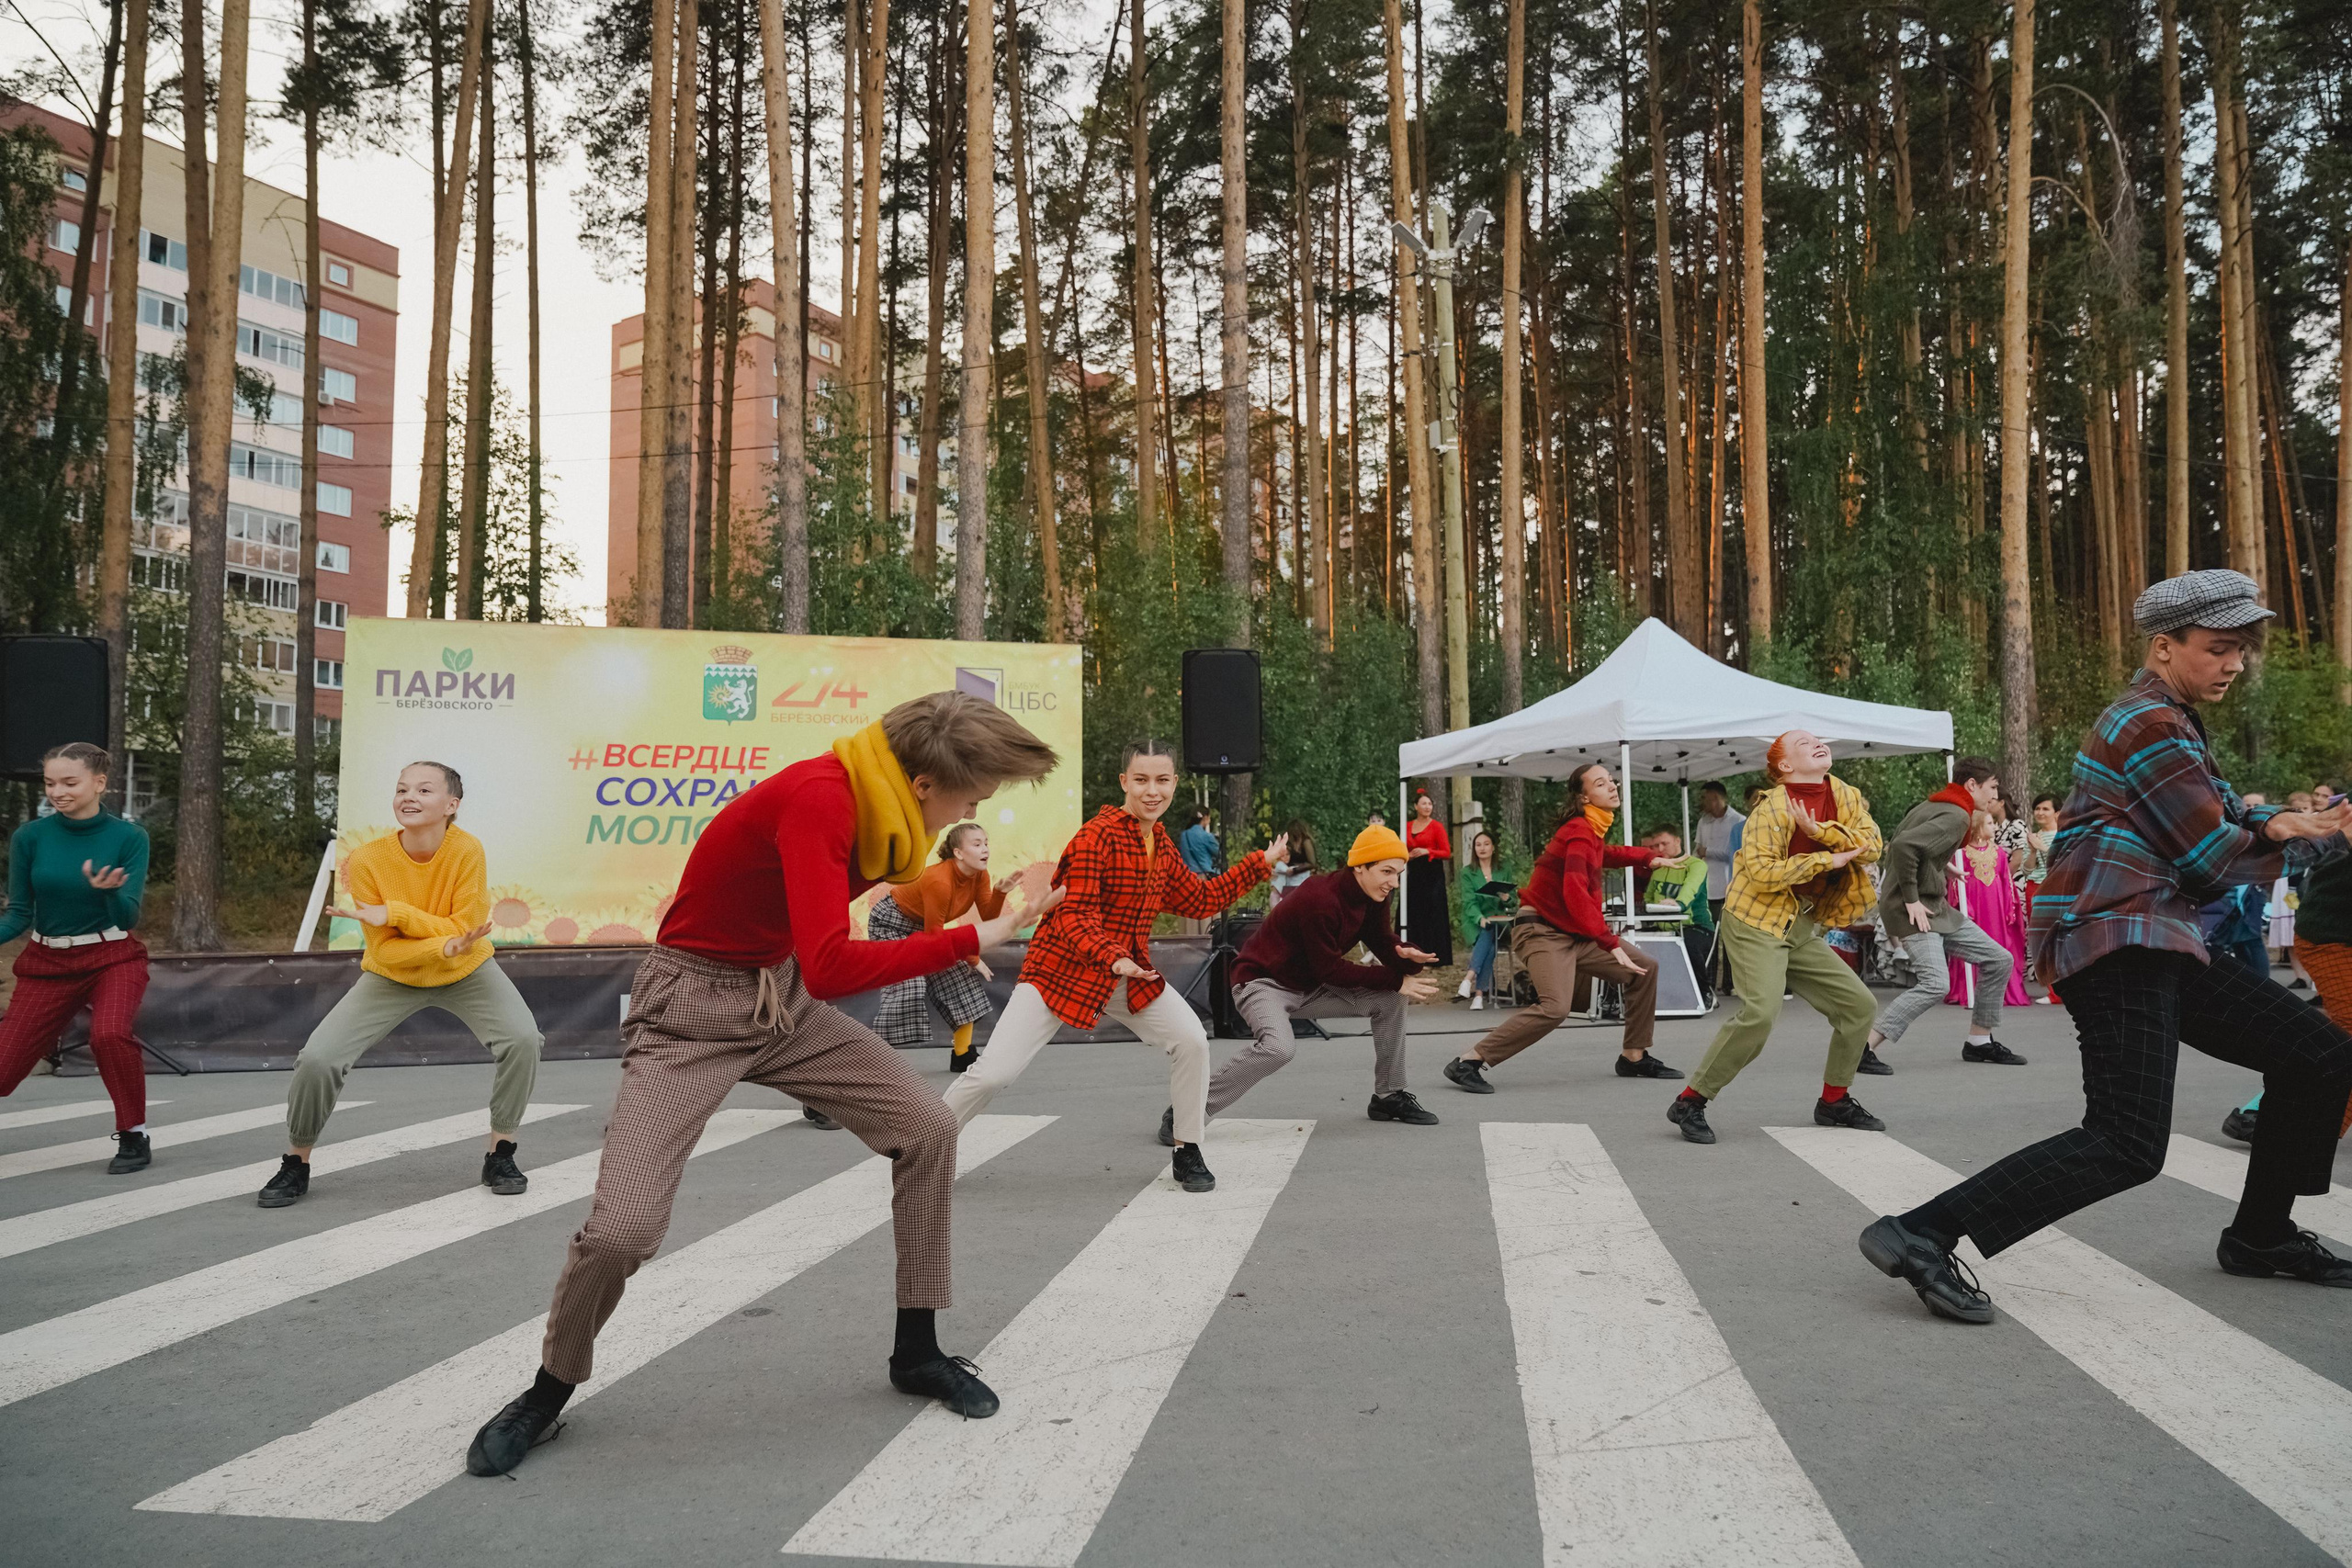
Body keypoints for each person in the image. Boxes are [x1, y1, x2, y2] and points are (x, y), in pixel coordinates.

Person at [465, 693, 1060, 1476]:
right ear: (923, 783)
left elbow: (808, 962)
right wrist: (970, 940)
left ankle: (917, 1350)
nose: (978, 806)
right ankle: (549, 1387)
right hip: (691, 1010)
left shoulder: (880, 803)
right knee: (621, 1231)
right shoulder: (823, 800)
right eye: (974, 792)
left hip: (778, 997)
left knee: (928, 1127)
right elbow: (836, 963)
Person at [1858, 570, 2352, 1326]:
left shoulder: (2174, 719)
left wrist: (2287, 825)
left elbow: (2221, 825)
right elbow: (2210, 859)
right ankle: (1922, 1230)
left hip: (2161, 936)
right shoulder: (2147, 721)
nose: (2233, 664)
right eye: (2218, 648)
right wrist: (2318, 839)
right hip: (2116, 935)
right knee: (2126, 1139)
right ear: (2164, 646)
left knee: (2318, 1054)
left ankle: (2262, 1234)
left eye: (2240, 651)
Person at [942, 739, 1280, 1195]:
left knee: (1191, 1039)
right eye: (1141, 780)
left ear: (1175, 784)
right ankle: (924, 1144)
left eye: (1162, 781)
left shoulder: (1159, 841)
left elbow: (1201, 899)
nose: (1152, 791)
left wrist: (1261, 863)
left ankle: (1188, 1148)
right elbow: (1075, 915)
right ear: (1125, 782)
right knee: (996, 1071)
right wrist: (1113, 954)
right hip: (1059, 970)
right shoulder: (1093, 837)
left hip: (1125, 974)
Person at [260, 762, 543, 1209]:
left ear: (451, 805)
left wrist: (399, 915)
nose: (408, 797)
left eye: (424, 789)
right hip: (394, 975)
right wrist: (439, 944)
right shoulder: (368, 860)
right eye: (401, 789)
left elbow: (466, 928)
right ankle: (296, 1161)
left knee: (524, 1039)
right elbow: (386, 951)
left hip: (467, 969)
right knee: (318, 1058)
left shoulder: (467, 850)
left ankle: (500, 1153)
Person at [1668, 730, 1886, 1145]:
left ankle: (1834, 1101)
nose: (1818, 743)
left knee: (1859, 1006)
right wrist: (1826, 858)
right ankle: (1690, 1100)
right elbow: (1763, 873)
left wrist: (1824, 834)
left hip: (1801, 926)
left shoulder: (1845, 794)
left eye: (1819, 740)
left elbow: (1872, 845)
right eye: (1804, 743)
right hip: (1756, 922)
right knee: (1761, 1015)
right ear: (1785, 767)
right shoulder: (1768, 811)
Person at [1177, 824, 1442, 1134]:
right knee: (1278, 1048)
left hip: (1309, 985)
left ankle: (1388, 1095)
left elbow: (1382, 941)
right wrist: (1395, 979)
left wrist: (1407, 958)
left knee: (1392, 1000)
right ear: (1360, 867)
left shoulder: (1374, 897)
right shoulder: (1320, 899)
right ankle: (1190, 1108)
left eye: (1397, 874)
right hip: (1263, 982)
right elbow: (1329, 969)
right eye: (1386, 872)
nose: (1392, 883)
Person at [1442, 761, 1684, 1095]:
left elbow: (1605, 854)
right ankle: (1469, 1060)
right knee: (1556, 1007)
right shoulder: (1579, 831)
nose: (1612, 786)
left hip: (1571, 933)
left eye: (1611, 780)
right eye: (1601, 784)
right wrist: (1609, 942)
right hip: (1540, 931)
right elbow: (1574, 892)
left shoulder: (1590, 832)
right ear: (1585, 798)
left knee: (1645, 968)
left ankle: (1634, 1055)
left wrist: (1646, 858)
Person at [0, 743, 153, 1174]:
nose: (58, 792)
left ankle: (133, 1133)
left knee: (108, 1035)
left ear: (99, 783)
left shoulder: (129, 838)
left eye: (70, 782)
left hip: (113, 956)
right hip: (46, 963)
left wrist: (107, 894)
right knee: (4, 1070)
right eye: (50, 783)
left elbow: (129, 915)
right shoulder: (30, 837)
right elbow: (18, 915)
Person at [1857, 758, 2022, 1079]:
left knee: (1999, 959)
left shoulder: (1936, 803)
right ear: (1972, 786)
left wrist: (1943, 866)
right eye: (1992, 786)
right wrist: (1912, 900)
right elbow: (1903, 846)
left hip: (1936, 908)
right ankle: (1862, 1048)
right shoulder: (1956, 814)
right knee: (1936, 983)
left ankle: (1979, 1040)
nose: (1995, 794)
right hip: (1916, 910)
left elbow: (1910, 840)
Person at [869, 822, 1011, 1073]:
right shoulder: (940, 881)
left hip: (924, 928)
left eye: (986, 843)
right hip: (891, 924)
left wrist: (999, 893)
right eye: (977, 844)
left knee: (959, 979)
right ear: (958, 853)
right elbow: (935, 938)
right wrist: (973, 957)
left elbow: (988, 915)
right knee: (908, 987)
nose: (985, 849)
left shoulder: (979, 875)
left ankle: (962, 1054)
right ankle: (869, 1064)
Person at [1944, 810, 2033, 1010]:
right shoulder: (1962, 854)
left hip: (1996, 908)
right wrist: (1965, 906)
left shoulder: (1999, 853)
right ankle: (1970, 988)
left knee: (1996, 943)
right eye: (1990, 823)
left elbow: (2006, 882)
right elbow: (1957, 883)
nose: (1994, 827)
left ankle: (1997, 990)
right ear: (1977, 828)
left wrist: (2010, 909)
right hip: (1974, 905)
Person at [1456, 829, 1519, 1009]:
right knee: (1489, 940)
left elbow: (1513, 900)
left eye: (1486, 844)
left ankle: (1469, 979)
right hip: (1476, 922)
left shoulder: (1504, 869)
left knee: (1491, 931)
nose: (1482, 848)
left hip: (1500, 922)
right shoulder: (1468, 872)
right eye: (1478, 845)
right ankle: (1478, 994)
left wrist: (1507, 898)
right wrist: (1480, 918)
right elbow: (1469, 902)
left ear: (1493, 848)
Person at [1403, 791, 1454, 967]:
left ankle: (1435, 956)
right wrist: (1407, 855)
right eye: (1423, 804)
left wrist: (1428, 851)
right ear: (1416, 806)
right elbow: (1400, 847)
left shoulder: (1437, 827)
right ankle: (1412, 953)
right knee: (1412, 912)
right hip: (1415, 872)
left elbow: (1447, 853)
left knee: (1433, 912)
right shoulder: (1407, 826)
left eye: (1430, 804)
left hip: (1432, 874)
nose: (1427, 807)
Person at [1692, 781, 1743, 927]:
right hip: (1706, 886)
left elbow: (1737, 854)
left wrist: (1708, 851)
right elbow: (1698, 850)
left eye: (1704, 798)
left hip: (1729, 885)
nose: (1702, 802)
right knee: (1710, 926)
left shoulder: (1738, 820)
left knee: (1727, 927)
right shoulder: (1703, 821)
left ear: (1715, 797)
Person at [1176, 807, 1222, 936]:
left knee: (1191, 915)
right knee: (1205, 915)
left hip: (1187, 879)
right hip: (1203, 878)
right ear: (1206, 818)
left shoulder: (1184, 835)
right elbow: (1218, 853)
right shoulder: (1206, 836)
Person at [1269, 818, 1317, 908]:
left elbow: (1312, 863)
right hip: (1289, 877)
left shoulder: (1306, 842)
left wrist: (1295, 870)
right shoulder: (1291, 843)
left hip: (1300, 875)